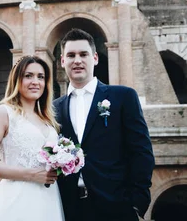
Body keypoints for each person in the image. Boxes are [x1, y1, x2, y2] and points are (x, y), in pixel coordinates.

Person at [53, 28, 155, 221]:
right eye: (71, 55)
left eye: (83, 54)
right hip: (70, 209)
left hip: (116, 206)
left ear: (95, 58)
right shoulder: (54, 108)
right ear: (62, 61)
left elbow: (141, 151)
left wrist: (136, 202)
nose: (77, 60)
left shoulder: (123, 96)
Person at [0, 55, 65, 220]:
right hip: (17, 197)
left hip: (48, 199)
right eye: (28, 76)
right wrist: (31, 175)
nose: (35, 81)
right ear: (17, 80)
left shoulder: (48, 120)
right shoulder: (3, 113)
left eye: (41, 77)